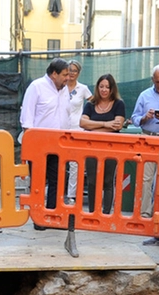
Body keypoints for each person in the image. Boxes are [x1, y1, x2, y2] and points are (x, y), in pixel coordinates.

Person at [130, 65, 159, 245]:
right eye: (156, 81)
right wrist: (144, 118)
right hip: (149, 138)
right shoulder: (144, 95)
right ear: (152, 80)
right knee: (145, 178)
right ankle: (144, 214)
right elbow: (134, 117)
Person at [20, 58, 71, 210]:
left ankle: (53, 214)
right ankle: (38, 216)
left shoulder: (65, 90)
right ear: (54, 74)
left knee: (58, 180)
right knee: (38, 182)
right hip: (39, 144)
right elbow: (26, 119)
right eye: (64, 75)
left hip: (60, 142)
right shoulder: (36, 87)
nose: (67, 78)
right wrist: (31, 147)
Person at [79, 73, 125, 214]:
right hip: (92, 147)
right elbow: (82, 123)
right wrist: (106, 124)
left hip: (111, 147)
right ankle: (93, 212)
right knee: (92, 180)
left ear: (112, 89)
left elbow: (117, 125)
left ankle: (106, 212)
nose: (104, 90)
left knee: (108, 180)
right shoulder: (90, 105)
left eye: (107, 87)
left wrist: (94, 126)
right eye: (101, 86)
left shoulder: (119, 104)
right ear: (97, 88)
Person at [63, 60, 93, 204]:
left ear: (79, 72)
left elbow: (94, 103)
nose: (71, 73)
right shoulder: (60, 87)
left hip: (77, 129)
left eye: (74, 70)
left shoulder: (83, 89)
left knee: (75, 164)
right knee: (60, 163)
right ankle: (57, 194)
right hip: (60, 129)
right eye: (69, 70)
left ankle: (71, 196)